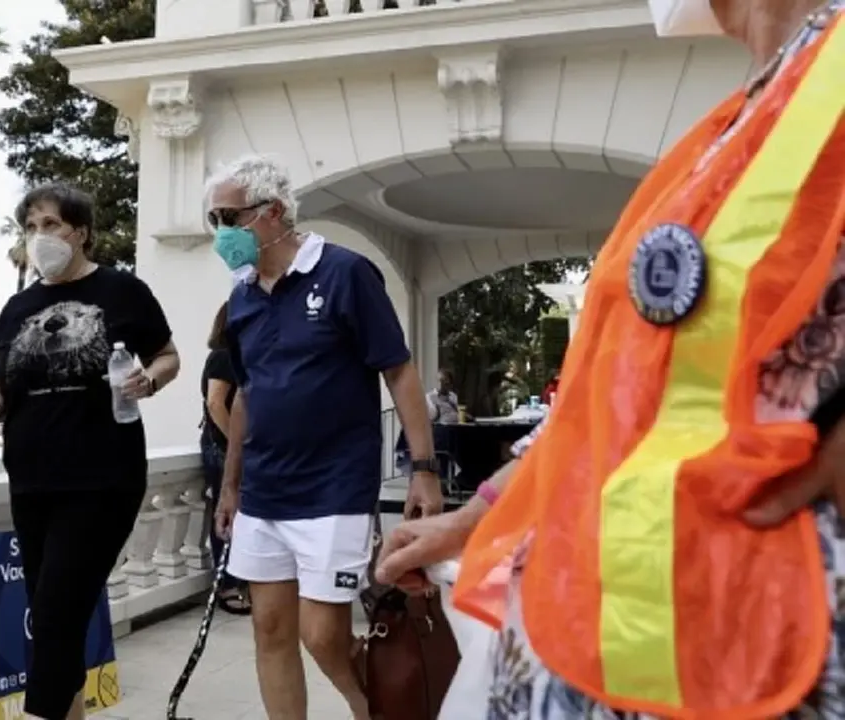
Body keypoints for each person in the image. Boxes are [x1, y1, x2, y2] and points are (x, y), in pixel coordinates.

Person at [377, 0, 845, 716]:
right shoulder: (743, 116)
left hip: (759, 641)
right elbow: (604, 411)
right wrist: (470, 521)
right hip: (630, 636)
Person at [0, 183, 180, 720]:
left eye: (51, 224)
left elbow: (168, 356)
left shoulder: (123, 291)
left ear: (81, 232)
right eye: (31, 226)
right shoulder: (18, 307)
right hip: (33, 481)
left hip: (102, 480)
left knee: (54, 614)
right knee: (54, 615)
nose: (39, 236)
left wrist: (150, 380)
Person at [207, 153, 444, 720]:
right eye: (213, 220)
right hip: (263, 491)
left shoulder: (345, 273)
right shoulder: (242, 297)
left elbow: (398, 370)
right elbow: (245, 396)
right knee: (270, 630)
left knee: (322, 636)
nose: (220, 233)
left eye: (228, 217)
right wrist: (232, 485)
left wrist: (424, 468)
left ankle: (384, 712)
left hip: (333, 488)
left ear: (272, 211)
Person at [200, 301, 251, 615]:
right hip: (221, 449)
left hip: (229, 447)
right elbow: (216, 403)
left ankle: (238, 580)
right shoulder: (223, 355)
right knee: (227, 513)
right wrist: (238, 444)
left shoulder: (240, 356)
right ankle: (227, 585)